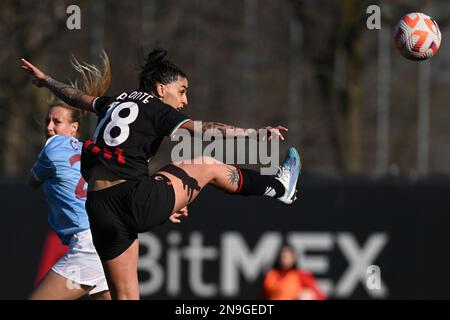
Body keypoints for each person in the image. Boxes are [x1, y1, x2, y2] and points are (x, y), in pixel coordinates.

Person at [20, 49, 301, 300]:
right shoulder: (156, 108)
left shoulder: (115, 102)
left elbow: (76, 97)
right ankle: (277, 186)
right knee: (207, 165)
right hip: (132, 199)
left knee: (127, 296)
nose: (185, 100)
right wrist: (252, 134)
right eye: (182, 91)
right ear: (160, 89)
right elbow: (204, 129)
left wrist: (47, 81)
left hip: (99, 210)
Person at [27, 53, 112, 299]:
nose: (50, 127)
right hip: (104, 240)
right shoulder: (90, 149)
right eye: (48, 121)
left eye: (57, 122)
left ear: (74, 128)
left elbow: (32, 181)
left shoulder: (53, 147)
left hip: (86, 245)